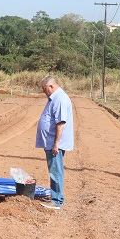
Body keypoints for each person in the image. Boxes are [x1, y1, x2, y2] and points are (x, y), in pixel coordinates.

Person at [35, 75, 74, 210]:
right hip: (51, 142)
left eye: (45, 89)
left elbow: (61, 123)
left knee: (56, 171)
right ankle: (54, 195)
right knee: (54, 169)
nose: (44, 92)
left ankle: (57, 200)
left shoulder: (60, 99)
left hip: (55, 143)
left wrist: (56, 144)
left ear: (51, 86)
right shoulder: (55, 97)